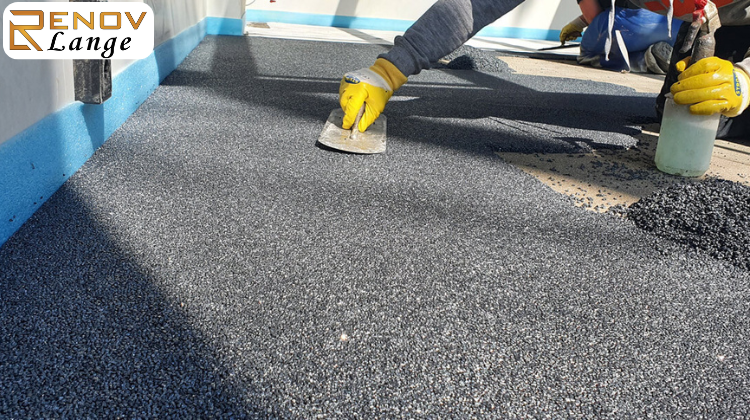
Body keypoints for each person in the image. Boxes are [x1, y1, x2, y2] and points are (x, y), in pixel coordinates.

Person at [339, 0, 750, 140]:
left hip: (739, 28)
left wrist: (744, 79)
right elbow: (474, 5)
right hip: (689, 20)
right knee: (679, 111)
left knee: (719, 117)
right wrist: (390, 69)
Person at [559, 0, 678, 73]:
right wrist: (579, 23)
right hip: (672, 25)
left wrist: (581, 24)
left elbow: (594, 17)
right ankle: (659, 53)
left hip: (631, 24)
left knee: (588, 53)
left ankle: (643, 61)